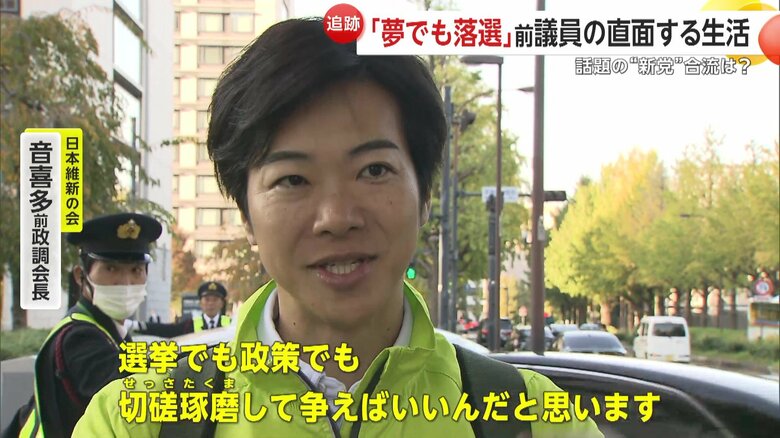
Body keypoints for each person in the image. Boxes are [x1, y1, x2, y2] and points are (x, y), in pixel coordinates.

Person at [75, 18, 602, 437]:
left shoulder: (535, 419)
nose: (336, 218)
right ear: (246, 214)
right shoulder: (135, 421)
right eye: (292, 179)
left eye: (374, 170)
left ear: (425, 196)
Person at [3, 213, 161, 438]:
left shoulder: (110, 332)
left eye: (136, 270)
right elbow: (128, 389)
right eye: (111, 269)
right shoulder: (79, 337)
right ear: (80, 275)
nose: (125, 282)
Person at [131, 281, 231, 336]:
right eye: (207, 300)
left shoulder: (231, 324)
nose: (211, 303)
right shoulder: (189, 325)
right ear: (200, 303)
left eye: (215, 300)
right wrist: (136, 325)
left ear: (222, 303)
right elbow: (167, 330)